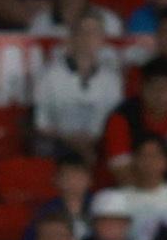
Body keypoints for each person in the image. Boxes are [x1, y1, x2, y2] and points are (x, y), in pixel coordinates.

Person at [33, 10, 123, 163]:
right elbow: (41, 124)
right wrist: (72, 141)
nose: (88, 38)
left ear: (102, 39)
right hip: (59, 146)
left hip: (99, 146)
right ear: (71, 37)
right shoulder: (49, 75)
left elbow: (113, 121)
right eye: (83, 32)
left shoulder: (112, 79)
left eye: (94, 32)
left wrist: (90, 143)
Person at [100, 57, 167, 183]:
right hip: (123, 189)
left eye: (166, 88)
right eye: (154, 87)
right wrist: (155, 192)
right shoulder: (121, 118)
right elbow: (121, 171)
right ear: (141, 88)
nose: (160, 94)